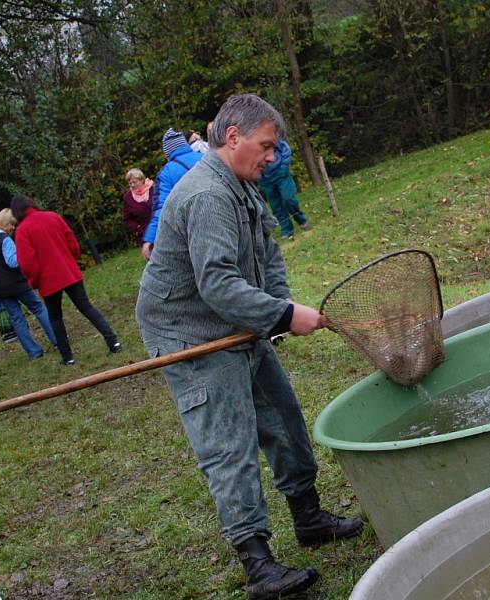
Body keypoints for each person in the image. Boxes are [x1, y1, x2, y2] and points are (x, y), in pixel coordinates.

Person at [135, 94, 362, 599]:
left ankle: (309, 517)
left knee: (281, 415)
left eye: (275, 147)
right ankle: (258, 565)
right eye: (266, 145)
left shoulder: (243, 187)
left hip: (238, 320)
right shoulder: (206, 196)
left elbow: (266, 254)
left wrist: (278, 307)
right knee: (229, 441)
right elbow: (216, 283)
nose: (272, 157)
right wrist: (282, 315)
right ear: (232, 138)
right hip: (189, 333)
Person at [10, 195, 121, 365]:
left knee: (55, 317)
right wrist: (71, 258)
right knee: (86, 307)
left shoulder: (23, 230)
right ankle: (113, 340)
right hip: (68, 271)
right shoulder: (52, 216)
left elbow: (27, 262)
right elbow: (72, 243)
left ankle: (67, 357)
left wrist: (34, 281)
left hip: (48, 280)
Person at [0, 208, 56, 358]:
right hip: (17, 283)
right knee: (38, 308)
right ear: (5, 223)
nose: (13, 228)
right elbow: (12, 262)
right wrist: (24, 254)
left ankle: (33, 352)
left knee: (17, 319)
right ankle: (57, 339)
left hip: (0, 288)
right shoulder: (4, 239)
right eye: (12, 224)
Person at [141, 128, 203, 260]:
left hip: (194, 231)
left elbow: (161, 208)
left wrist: (150, 239)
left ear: (167, 154)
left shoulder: (166, 173)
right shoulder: (207, 157)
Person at [258, 139, 311, 241]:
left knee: (288, 199)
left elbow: (285, 150)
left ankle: (302, 221)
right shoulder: (247, 141)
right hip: (265, 180)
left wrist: (283, 167)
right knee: (276, 206)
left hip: (281, 174)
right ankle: (286, 229)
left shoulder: (267, 134)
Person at [122, 168, 153, 245]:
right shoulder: (128, 198)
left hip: (163, 228)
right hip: (146, 236)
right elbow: (127, 219)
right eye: (130, 183)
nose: (132, 185)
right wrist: (138, 228)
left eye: (134, 182)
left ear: (142, 180)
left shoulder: (154, 189)